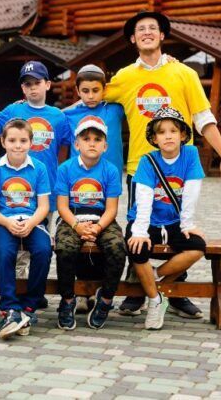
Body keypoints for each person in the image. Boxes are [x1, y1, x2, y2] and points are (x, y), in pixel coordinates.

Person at [107, 11, 221, 318]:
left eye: (153, 28)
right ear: (133, 39)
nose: (147, 32)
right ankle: (137, 290)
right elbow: (94, 97)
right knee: (139, 227)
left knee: (181, 227)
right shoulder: (124, 77)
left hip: (179, 168)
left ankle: (174, 291)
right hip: (140, 167)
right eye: (141, 29)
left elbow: (203, 118)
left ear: (162, 35)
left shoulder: (184, 74)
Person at [0, 61, 69, 307]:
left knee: (39, 242)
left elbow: (67, 146)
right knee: (16, 246)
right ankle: (18, 288)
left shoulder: (58, 116)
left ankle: (33, 291)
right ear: (22, 88)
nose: (32, 88)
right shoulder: (13, 111)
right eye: (27, 84)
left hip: (44, 192)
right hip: (15, 190)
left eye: (37, 83)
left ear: (47, 84)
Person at [126, 107, 207, 330]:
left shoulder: (190, 155)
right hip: (148, 220)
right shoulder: (147, 161)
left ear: (183, 135)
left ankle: (154, 277)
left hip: (174, 221)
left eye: (173, 131)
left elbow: (191, 191)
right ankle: (155, 300)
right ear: (154, 138)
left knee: (198, 247)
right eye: (162, 132)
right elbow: (144, 198)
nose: (168, 136)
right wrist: (140, 231)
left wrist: (187, 224)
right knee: (136, 247)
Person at [62, 64, 126, 313]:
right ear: (78, 90)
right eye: (85, 91)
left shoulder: (115, 109)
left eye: (95, 90)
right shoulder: (68, 114)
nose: (90, 96)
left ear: (104, 90)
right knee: (75, 240)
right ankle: (80, 291)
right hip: (77, 187)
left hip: (107, 184)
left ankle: (98, 287)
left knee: (106, 238)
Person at [53, 117, 124, 331]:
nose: (92, 143)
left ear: (105, 146)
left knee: (117, 248)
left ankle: (105, 300)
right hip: (72, 218)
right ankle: (67, 301)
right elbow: (62, 206)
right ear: (77, 144)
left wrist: (98, 227)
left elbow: (111, 208)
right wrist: (77, 226)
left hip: (102, 219)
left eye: (97, 139)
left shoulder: (110, 170)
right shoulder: (65, 169)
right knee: (65, 248)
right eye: (86, 139)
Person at [0, 119, 52, 340]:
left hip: (33, 221)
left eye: (23, 141)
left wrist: (31, 223)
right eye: (12, 140)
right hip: (4, 221)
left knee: (43, 250)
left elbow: (44, 206)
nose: (17, 145)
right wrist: (7, 223)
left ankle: (30, 306)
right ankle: (10, 308)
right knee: (5, 252)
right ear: (3, 142)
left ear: (31, 143)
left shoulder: (39, 168)